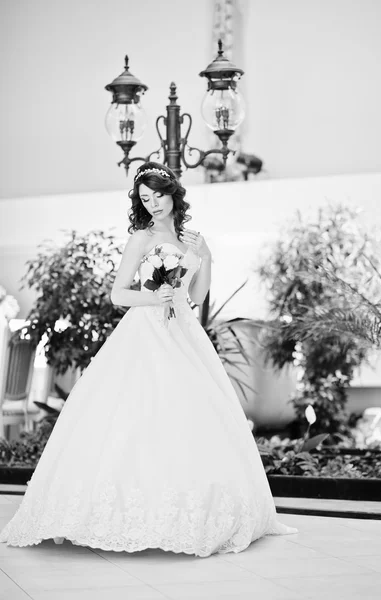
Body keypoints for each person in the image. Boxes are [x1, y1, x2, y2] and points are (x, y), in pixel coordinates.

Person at [0, 161, 297, 557]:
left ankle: (200, 509)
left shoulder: (192, 238)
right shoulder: (141, 239)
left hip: (185, 332)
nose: (153, 203)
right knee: (136, 411)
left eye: (158, 194)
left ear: (173, 194)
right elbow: (118, 295)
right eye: (145, 198)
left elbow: (197, 295)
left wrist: (205, 256)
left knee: (194, 413)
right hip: (146, 330)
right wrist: (153, 298)